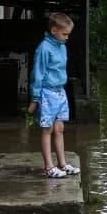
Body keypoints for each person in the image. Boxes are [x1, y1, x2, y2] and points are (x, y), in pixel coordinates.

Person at [28, 12, 80, 178]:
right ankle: (48, 167)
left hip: (60, 92)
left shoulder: (62, 47)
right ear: (54, 30)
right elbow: (37, 74)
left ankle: (62, 164)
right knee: (48, 129)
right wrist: (35, 98)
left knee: (59, 128)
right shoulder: (44, 49)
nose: (67, 38)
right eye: (64, 34)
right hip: (47, 93)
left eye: (68, 34)